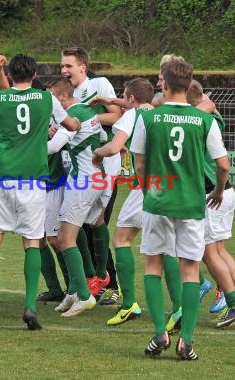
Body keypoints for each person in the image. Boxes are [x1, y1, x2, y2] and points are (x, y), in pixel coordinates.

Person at [0, 54, 79, 330]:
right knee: (32, 241)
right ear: (35, 73)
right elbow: (72, 125)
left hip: (2, 177)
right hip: (33, 180)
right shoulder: (46, 99)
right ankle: (29, 306)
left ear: (10, 75)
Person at [131, 60, 229, 360]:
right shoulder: (204, 121)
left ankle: (160, 332)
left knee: (153, 266)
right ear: (189, 85)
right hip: (190, 203)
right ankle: (185, 341)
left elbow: (140, 164)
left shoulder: (148, 118)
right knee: (189, 270)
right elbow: (223, 164)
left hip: (157, 201)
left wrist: (148, 190)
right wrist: (217, 189)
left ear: (165, 83)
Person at [187, 80, 235, 328]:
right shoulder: (213, 117)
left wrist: (215, 190)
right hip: (225, 193)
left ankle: (234, 302)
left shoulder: (198, 121)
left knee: (208, 253)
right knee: (219, 251)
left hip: (213, 193)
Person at [61, 47, 122, 301]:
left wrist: (86, 118)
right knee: (83, 227)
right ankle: (91, 281)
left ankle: (112, 286)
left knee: (96, 224)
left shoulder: (98, 84)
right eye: (62, 67)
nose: (64, 71)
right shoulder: (65, 95)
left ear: (82, 68)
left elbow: (116, 114)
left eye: (69, 66)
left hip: (102, 165)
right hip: (77, 167)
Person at [92, 77, 155, 325]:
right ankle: (183, 306)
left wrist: (99, 154)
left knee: (121, 239)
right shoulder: (160, 112)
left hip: (146, 186)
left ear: (131, 100)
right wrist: (110, 100)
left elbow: (114, 145)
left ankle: (129, 303)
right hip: (171, 185)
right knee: (168, 248)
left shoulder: (131, 116)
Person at [44, 77, 106, 317]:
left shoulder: (71, 118)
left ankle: (83, 295)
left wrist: (30, 141)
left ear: (61, 98)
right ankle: (73, 291)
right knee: (72, 232)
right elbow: (102, 139)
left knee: (64, 239)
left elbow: (53, 148)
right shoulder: (88, 112)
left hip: (82, 183)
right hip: (96, 179)